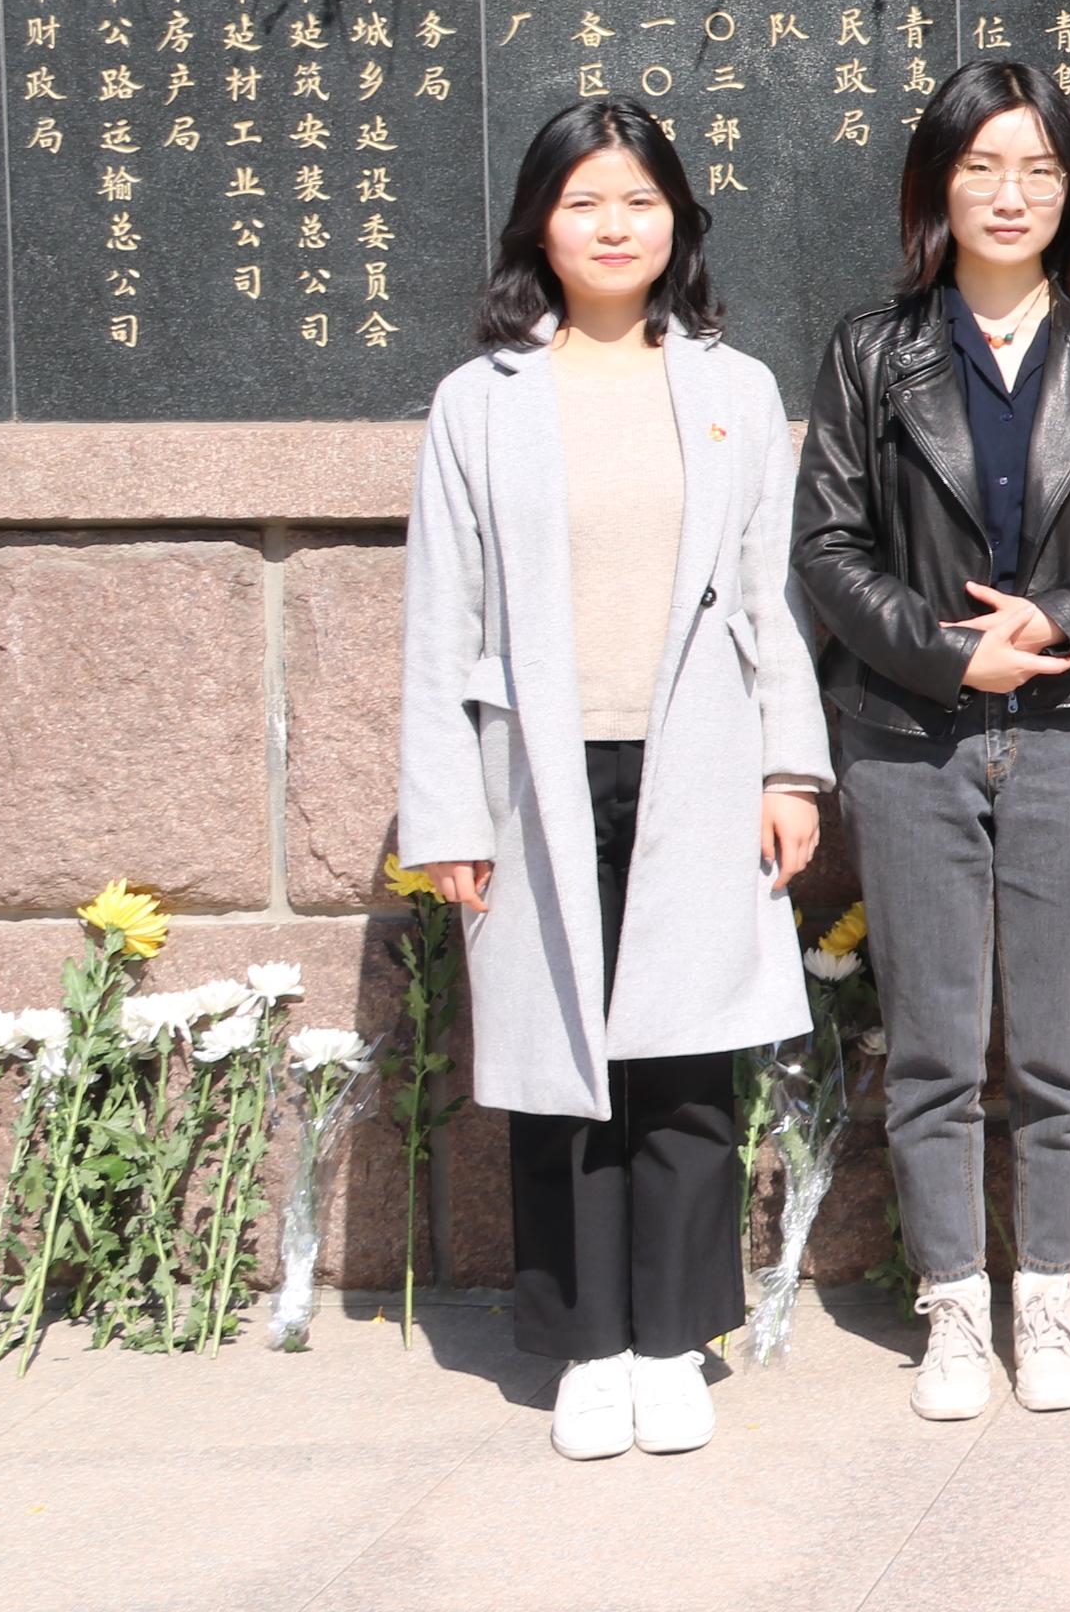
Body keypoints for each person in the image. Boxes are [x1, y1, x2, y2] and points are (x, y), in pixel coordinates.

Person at [396, 100, 830, 1463]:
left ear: (677, 222)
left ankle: (673, 1339)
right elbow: (442, 615)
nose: (613, 225)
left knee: (688, 1056)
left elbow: (769, 597)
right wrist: (447, 810)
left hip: (697, 759)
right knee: (561, 1061)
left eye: (640, 200)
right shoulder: (480, 401)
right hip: (536, 769)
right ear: (540, 223)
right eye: (584, 201)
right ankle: (590, 1346)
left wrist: (790, 767)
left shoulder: (732, 389)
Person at [792, 60, 1070, 1425]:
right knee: (936, 1043)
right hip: (912, 735)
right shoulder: (872, 350)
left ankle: (1049, 1296)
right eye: (981, 167)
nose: (1009, 195)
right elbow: (829, 549)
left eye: (1038, 170)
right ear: (937, 186)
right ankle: (955, 1302)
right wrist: (950, 648)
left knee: (1062, 1044)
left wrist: (1055, 615)